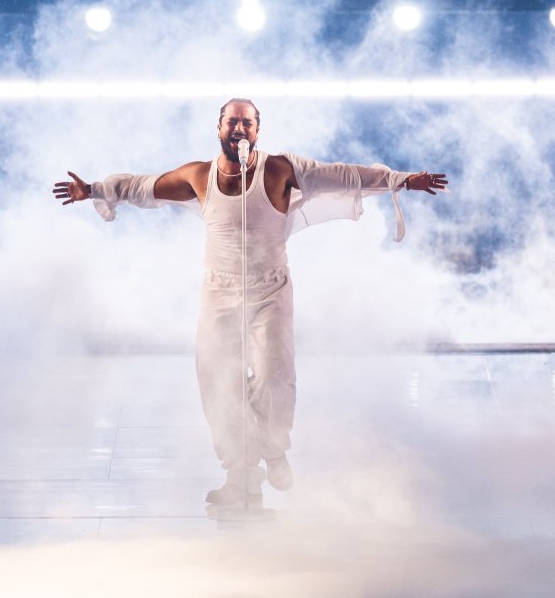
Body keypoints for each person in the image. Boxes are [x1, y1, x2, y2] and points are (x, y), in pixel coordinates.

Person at [53, 98, 448, 507]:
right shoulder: (198, 176)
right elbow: (142, 187)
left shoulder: (278, 169)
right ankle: (241, 477)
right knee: (218, 382)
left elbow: (343, 175)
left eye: (247, 123)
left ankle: (274, 450)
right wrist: (95, 190)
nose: (239, 129)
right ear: (219, 129)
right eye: (231, 122)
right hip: (219, 292)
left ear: (257, 131)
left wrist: (400, 180)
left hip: (270, 291)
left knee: (273, 376)